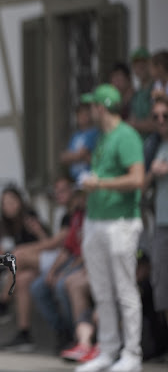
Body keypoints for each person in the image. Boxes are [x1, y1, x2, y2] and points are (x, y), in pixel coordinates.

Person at [76, 83, 145, 372]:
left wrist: (99, 183)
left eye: (92, 105)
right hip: (97, 221)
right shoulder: (103, 138)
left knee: (125, 290)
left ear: (101, 107)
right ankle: (108, 350)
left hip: (121, 223)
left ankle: (132, 354)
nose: (89, 109)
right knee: (102, 291)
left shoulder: (127, 136)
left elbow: (138, 179)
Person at [0, 180, 70, 352]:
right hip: (30, 269)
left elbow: (51, 244)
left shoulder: (29, 217)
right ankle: (24, 334)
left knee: (17, 255)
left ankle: (2, 304)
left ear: (20, 202)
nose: (8, 206)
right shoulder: (6, 224)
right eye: (5, 203)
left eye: (12, 202)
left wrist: (25, 246)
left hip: (47, 262)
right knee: (22, 280)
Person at [30, 187, 86, 353]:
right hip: (71, 261)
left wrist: (66, 270)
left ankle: (76, 334)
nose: (78, 200)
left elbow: (87, 252)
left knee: (62, 285)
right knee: (38, 287)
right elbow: (67, 249)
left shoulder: (92, 217)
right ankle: (62, 332)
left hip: (84, 263)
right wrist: (53, 270)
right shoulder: (75, 216)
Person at [144, 96, 168, 351]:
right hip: (161, 225)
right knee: (162, 289)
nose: (161, 120)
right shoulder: (154, 146)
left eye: (166, 115)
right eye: (156, 116)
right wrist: (153, 171)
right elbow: (141, 187)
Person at [60, 96, 99, 183]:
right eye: (79, 114)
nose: (81, 117)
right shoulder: (76, 135)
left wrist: (76, 156)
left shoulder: (94, 132)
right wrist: (78, 156)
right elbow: (63, 158)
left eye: (85, 114)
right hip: (74, 180)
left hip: (89, 179)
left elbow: (81, 154)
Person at [128, 47, 155, 138]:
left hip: (154, 142)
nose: (140, 67)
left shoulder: (156, 89)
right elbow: (133, 117)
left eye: (143, 64)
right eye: (136, 65)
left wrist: (132, 125)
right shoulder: (136, 93)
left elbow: (155, 123)